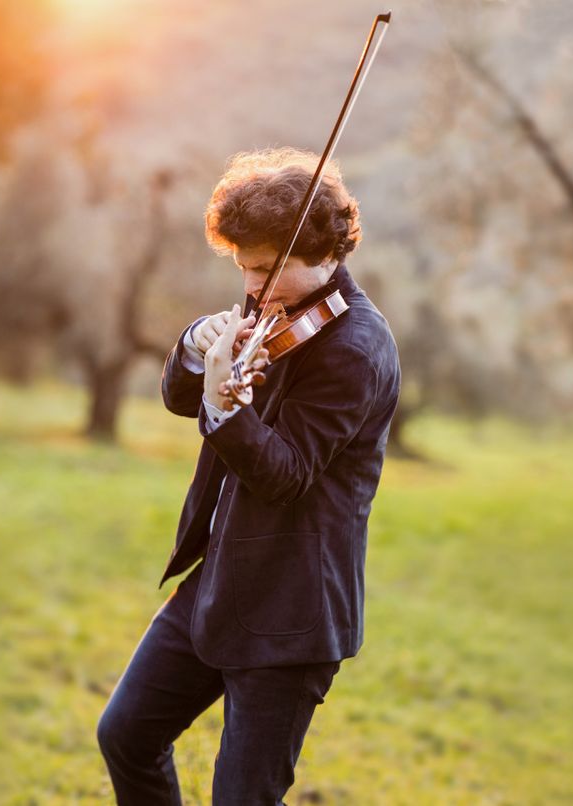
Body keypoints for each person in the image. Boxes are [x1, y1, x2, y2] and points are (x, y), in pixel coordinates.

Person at [96, 147, 400, 804]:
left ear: (325, 254)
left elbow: (283, 474)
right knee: (126, 734)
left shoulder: (355, 350)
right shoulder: (269, 306)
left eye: (266, 270)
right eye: (242, 270)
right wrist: (196, 344)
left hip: (292, 609)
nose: (252, 290)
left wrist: (222, 405)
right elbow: (181, 397)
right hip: (220, 581)